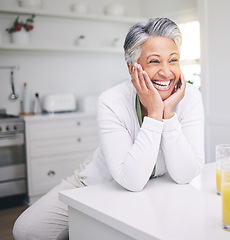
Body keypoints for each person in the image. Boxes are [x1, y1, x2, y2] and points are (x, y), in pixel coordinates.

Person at [13, 17, 205, 240]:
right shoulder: (111, 101)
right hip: (100, 182)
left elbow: (185, 175)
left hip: (155, 186)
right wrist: (155, 114)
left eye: (173, 60)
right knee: (27, 229)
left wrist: (168, 114)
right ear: (132, 68)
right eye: (154, 61)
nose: (166, 72)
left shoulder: (190, 98)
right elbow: (130, 180)